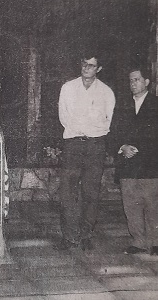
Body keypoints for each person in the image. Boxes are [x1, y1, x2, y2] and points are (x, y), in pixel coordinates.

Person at [55, 53, 115, 251]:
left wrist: (92, 131)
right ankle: (70, 236)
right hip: (73, 145)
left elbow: (108, 120)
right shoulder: (68, 88)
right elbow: (63, 116)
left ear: (99, 69)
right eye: (84, 64)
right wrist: (79, 130)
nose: (86, 68)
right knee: (67, 192)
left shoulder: (106, 92)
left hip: (95, 146)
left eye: (91, 65)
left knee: (90, 192)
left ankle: (86, 233)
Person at [111, 67, 158, 255]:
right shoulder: (122, 105)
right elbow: (112, 131)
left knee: (152, 203)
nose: (133, 84)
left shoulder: (155, 104)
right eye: (131, 80)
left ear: (146, 82)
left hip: (150, 164)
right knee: (131, 204)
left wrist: (141, 149)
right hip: (127, 164)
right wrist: (123, 147)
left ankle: (155, 241)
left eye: (137, 80)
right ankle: (138, 241)